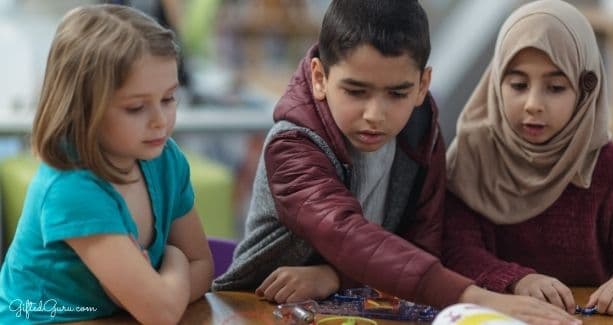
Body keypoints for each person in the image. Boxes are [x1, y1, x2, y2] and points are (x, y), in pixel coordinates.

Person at [213, 1, 579, 324]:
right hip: (259, 309)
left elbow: (421, 244)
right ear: (319, 78)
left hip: (367, 305)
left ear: (422, 85)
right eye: (356, 91)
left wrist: (335, 276)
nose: (376, 114)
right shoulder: (292, 146)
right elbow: (348, 236)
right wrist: (480, 298)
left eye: (397, 93)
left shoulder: (421, 131)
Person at [443, 0, 613, 317]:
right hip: (497, 315)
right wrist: (518, 279)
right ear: (495, 82)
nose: (533, 104)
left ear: (584, 90)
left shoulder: (609, 167)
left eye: (555, 87)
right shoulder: (472, 156)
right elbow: (456, 251)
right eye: (518, 85)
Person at [0, 4, 213, 324]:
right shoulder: (71, 188)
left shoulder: (166, 160)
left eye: (168, 98)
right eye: (136, 107)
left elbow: (204, 267)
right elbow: (160, 312)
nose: (160, 121)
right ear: (82, 109)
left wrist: (162, 285)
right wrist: (175, 258)